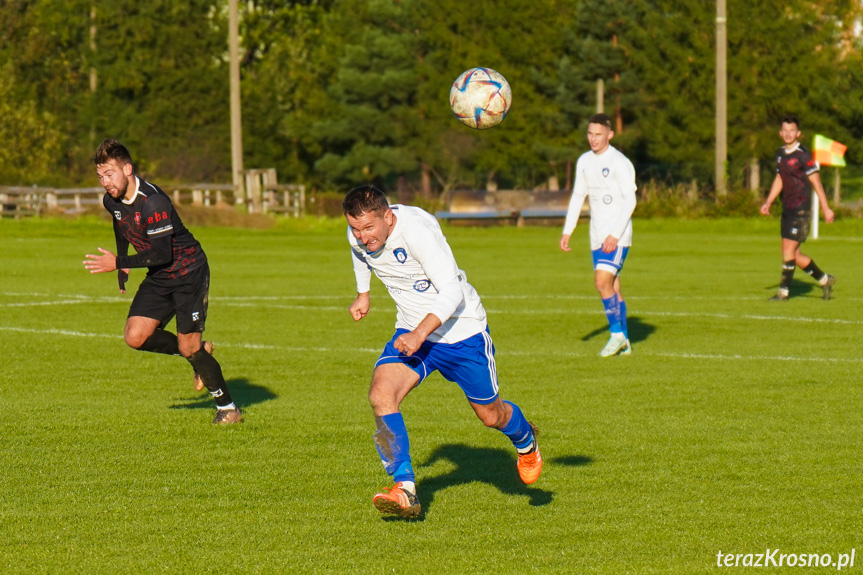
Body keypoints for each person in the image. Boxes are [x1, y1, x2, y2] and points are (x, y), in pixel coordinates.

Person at [343, 184, 542, 518]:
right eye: (355, 228)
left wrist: (421, 333)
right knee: (381, 395)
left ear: (388, 217)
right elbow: (359, 254)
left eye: (368, 228)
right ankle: (404, 487)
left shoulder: (418, 232)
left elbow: (452, 292)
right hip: (411, 331)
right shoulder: (360, 235)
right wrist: (364, 292)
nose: (362, 237)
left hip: (462, 333)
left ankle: (525, 442)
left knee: (490, 415)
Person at [82, 138, 242, 424]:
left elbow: (161, 252)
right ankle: (200, 352)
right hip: (160, 274)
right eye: (100, 176)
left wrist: (117, 263)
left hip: (187, 272)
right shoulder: (112, 199)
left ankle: (228, 408)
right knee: (135, 336)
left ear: (127, 169)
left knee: (187, 347)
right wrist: (123, 261)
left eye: (110, 174)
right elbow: (121, 222)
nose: (105, 182)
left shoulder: (153, 201)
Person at [560, 113, 637, 357]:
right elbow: (577, 196)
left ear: (609, 135)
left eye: (598, 134)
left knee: (601, 282)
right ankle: (624, 340)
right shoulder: (584, 161)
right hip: (596, 235)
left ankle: (616, 335)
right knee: (613, 285)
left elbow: (631, 200)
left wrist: (615, 235)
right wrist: (568, 230)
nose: (593, 139)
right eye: (590, 134)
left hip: (617, 235)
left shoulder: (619, 162)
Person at [760, 115, 836, 301]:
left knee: (788, 251)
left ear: (798, 132)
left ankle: (783, 293)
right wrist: (768, 201)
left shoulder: (803, 155)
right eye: (785, 130)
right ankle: (825, 280)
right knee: (795, 254)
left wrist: (826, 208)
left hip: (801, 210)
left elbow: (816, 182)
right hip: (787, 210)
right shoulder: (780, 154)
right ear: (780, 133)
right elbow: (779, 179)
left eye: (791, 130)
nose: (788, 134)